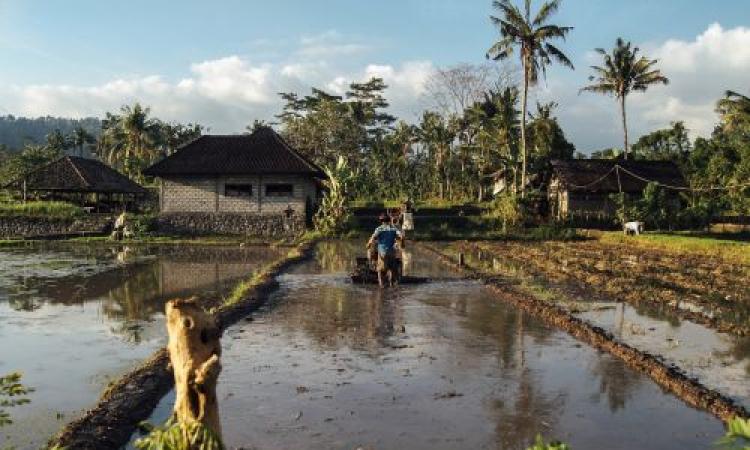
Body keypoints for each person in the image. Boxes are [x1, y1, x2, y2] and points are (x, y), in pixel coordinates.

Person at [367, 213, 404, 287]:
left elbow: (373, 238)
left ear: (381, 221)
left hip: (382, 252)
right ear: (389, 220)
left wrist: (368, 245)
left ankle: (381, 285)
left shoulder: (379, 228)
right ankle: (392, 284)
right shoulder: (393, 229)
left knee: (380, 270)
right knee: (391, 268)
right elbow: (401, 236)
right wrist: (401, 240)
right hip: (392, 252)